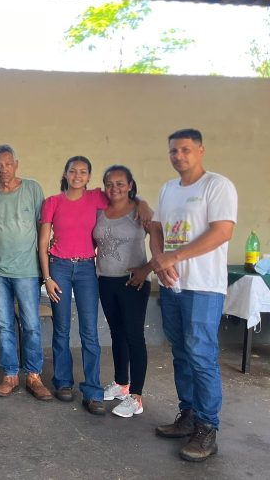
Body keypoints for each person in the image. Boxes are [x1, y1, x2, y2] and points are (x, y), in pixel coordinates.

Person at [149, 128, 236, 462]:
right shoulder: (169, 189)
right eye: (173, 151)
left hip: (203, 286)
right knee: (182, 353)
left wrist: (174, 257)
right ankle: (188, 414)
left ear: (200, 150)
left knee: (201, 355)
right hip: (173, 286)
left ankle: (207, 427)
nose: (179, 156)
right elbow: (156, 227)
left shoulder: (217, 185)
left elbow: (222, 232)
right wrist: (159, 261)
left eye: (185, 150)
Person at [0, 144, 53, 401]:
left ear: (16, 165)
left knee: (31, 324)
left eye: (8, 164)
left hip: (27, 270)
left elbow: (41, 228)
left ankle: (33, 376)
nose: (4, 169)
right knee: (4, 323)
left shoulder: (32, 189)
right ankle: (10, 374)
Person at [39, 156, 109, 415]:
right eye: (73, 171)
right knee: (62, 327)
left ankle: (93, 391)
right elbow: (43, 242)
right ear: (66, 174)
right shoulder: (52, 202)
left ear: (89, 176)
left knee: (90, 331)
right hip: (59, 267)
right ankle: (63, 382)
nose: (77, 175)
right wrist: (47, 277)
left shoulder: (96, 199)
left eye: (83, 172)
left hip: (87, 269)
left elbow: (121, 207)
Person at [93, 165, 152, 418]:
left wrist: (148, 268)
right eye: (109, 183)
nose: (114, 188)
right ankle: (121, 384)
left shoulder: (140, 212)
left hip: (132, 282)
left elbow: (159, 239)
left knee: (134, 335)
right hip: (106, 280)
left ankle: (136, 396)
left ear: (130, 185)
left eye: (120, 183)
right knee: (117, 333)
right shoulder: (99, 211)